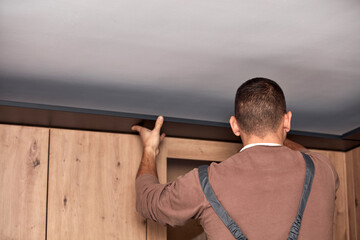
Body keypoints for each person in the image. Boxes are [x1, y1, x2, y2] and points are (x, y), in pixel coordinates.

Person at [132, 77, 339, 240]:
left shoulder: (205, 182)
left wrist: (150, 149)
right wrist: (279, 137)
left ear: (234, 125)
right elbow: (306, 155)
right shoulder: (322, 169)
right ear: (287, 121)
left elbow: (146, 200)